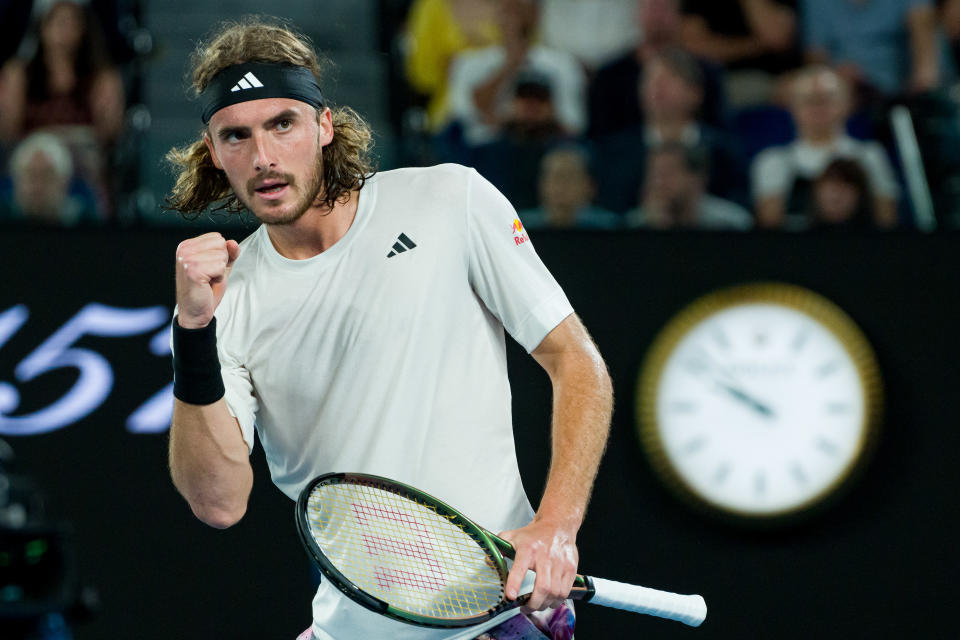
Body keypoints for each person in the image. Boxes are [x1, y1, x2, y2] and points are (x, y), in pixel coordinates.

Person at [164, 17, 612, 640]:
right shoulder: (223, 303)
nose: (262, 156)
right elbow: (218, 502)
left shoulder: (451, 200)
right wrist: (191, 330)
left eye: (282, 124)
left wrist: (556, 526)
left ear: (324, 125)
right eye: (236, 136)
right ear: (214, 152)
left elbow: (576, 361)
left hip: (497, 618)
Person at [750, 65, 900, 229]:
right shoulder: (773, 160)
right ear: (792, 107)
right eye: (808, 100)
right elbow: (769, 227)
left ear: (847, 103)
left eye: (827, 99)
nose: (818, 107)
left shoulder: (869, 155)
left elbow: (887, 221)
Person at [445, 0, 586, 148]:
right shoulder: (469, 63)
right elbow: (466, 120)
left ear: (536, 14)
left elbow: (573, 126)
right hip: (487, 150)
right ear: (496, 14)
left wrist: (537, 117)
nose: (515, 17)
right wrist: (509, 65)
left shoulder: (563, 63)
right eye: (508, 9)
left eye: (522, 8)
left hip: (547, 147)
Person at [587, 0, 728, 138]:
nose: (657, 16)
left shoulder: (705, 73)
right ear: (636, 13)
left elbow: (722, 134)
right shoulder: (608, 77)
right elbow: (598, 141)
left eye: (663, 7)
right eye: (651, 7)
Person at [625, 142, 754, 230]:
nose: (659, 182)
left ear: (697, 179)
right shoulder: (633, 226)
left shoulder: (732, 225)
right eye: (654, 174)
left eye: (668, 173)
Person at [0, 131, 99, 225]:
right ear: (16, 180)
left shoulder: (83, 218)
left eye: (46, 176)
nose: (38, 185)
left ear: (64, 181)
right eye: (31, 175)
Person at [518, 145, 620, 229]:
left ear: (589, 186)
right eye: (554, 177)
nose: (561, 186)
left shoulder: (610, 227)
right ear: (541, 184)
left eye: (569, 177)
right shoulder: (521, 227)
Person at [805, 157, 876, 229]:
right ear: (816, 190)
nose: (838, 193)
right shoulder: (797, 233)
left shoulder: (877, 237)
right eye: (832, 185)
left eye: (846, 186)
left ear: (859, 195)